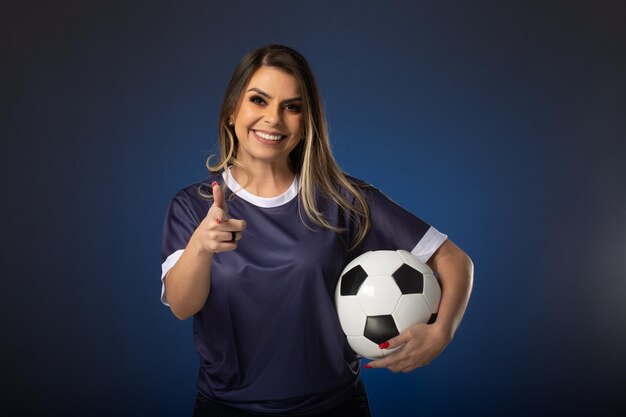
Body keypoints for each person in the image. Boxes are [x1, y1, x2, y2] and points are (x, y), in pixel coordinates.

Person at [160, 44, 473, 417]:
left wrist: (441, 333)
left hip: (333, 407)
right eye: (259, 100)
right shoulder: (192, 205)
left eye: (291, 107)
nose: (273, 119)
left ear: (306, 122)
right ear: (232, 110)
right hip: (226, 408)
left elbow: (455, 261)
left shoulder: (343, 199)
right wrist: (201, 246)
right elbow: (182, 306)